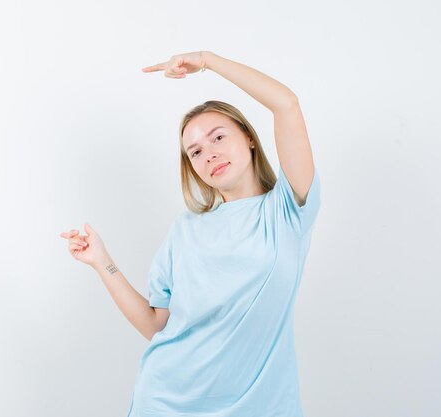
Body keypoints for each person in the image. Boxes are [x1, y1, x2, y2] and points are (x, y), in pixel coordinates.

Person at [59, 50, 321, 417]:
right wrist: (103, 262)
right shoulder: (185, 230)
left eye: (217, 138)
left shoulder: (288, 209)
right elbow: (157, 324)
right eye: (195, 151)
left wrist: (208, 61)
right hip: (168, 402)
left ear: (248, 137)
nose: (209, 154)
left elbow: (287, 104)